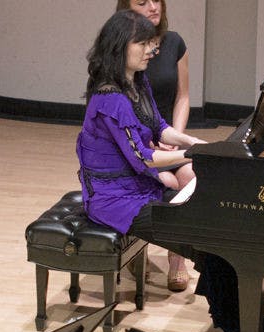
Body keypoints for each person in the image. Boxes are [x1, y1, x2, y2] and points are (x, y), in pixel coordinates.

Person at [76, 10, 203, 279]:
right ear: (120, 47)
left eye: (151, 43)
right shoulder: (111, 99)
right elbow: (143, 157)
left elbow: (159, 127)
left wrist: (192, 141)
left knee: (200, 218)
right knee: (192, 228)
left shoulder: (138, 82)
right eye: (143, 44)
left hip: (135, 185)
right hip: (113, 199)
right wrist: (192, 153)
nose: (151, 50)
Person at [118, 0, 194, 291]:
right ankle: (138, 249)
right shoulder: (120, 47)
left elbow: (183, 97)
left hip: (167, 138)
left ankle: (178, 258)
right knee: (167, 180)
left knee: (189, 177)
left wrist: (176, 136)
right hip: (135, 144)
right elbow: (119, 112)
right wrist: (151, 142)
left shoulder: (173, 42)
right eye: (142, 1)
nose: (153, 6)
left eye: (157, 0)